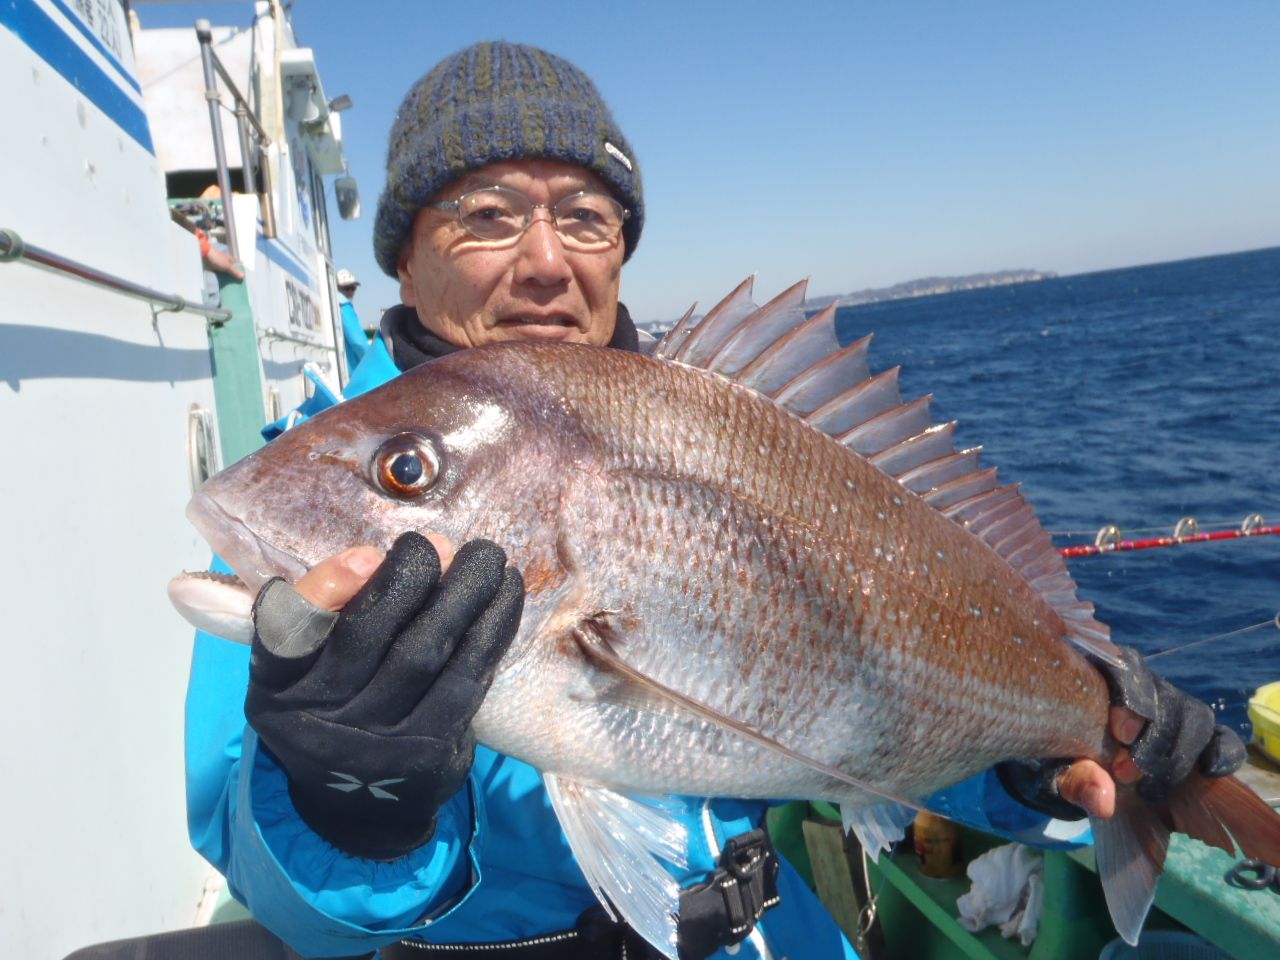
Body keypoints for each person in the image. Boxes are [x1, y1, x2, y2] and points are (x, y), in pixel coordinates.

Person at [185, 41, 1245, 960]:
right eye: (487, 215)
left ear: (620, 252)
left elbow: (856, 711)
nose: (546, 261)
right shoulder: (314, 498)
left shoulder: (733, 427)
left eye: (585, 217)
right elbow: (283, 901)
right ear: (405, 263)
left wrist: (1035, 753)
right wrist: (347, 804)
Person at [335, 267, 371, 370]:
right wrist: (372, 361)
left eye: (353, 288)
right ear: (336, 288)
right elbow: (358, 342)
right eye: (347, 288)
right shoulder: (344, 305)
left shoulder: (331, 304)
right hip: (352, 372)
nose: (351, 292)